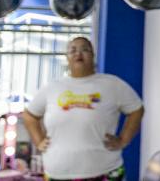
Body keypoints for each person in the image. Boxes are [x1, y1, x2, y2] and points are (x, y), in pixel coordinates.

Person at [24, 37, 144, 181]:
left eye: (85, 49)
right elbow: (30, 115)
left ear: (93, 55)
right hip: (58, 174)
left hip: (105, 172)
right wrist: (38, 140)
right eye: (72, 50)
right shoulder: (52, 87)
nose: (78, 53)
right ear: (67, 58)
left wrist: (123, 140)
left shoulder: (112, 84)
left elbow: (137, 109)